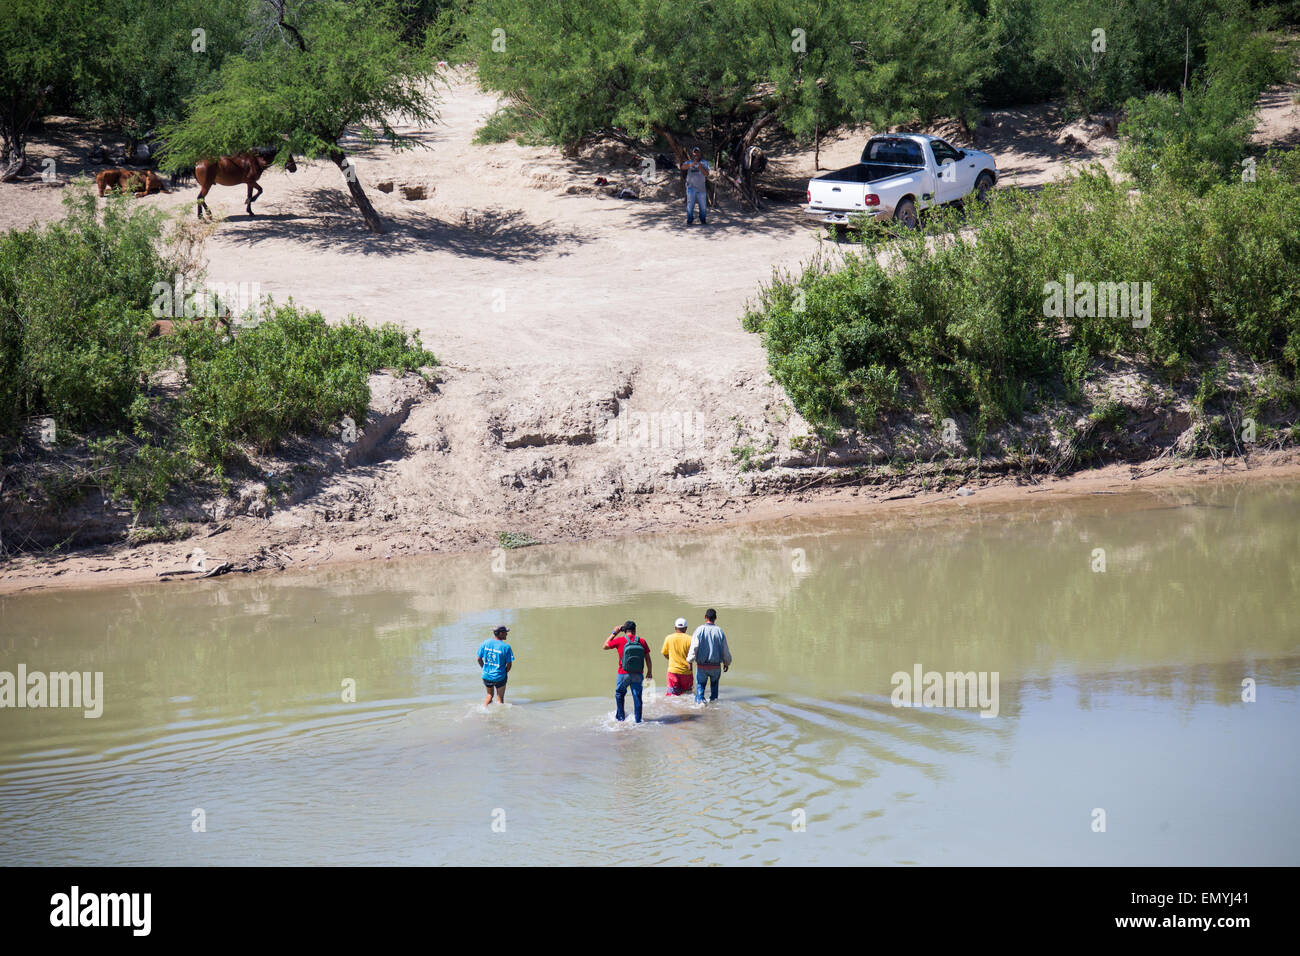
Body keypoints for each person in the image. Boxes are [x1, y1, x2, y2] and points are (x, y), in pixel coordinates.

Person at [603, 620, 652, 723]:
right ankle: (638, 721)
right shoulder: (642, 641)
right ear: (635, 630)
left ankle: (621, 719)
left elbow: (605, 646)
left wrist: (614, 632)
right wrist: (649, 672)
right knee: (637, 697)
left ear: (624, 630)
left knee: (620, 694)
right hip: (638, 674)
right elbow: (647, 658)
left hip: (623, 673)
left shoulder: (620, 640)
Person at [687, 608, 732, 703]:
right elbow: (725, 650)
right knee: (714, 691)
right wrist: (726, 663)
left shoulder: (699, 630)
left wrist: (690, 661)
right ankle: (713, 707)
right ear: (715, 618)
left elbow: (694, 647)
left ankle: (700, 705)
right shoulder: (719, 631)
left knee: (700, 688)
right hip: (715, 667)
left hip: (702, 667)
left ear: (705, 617)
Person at [477, 625, 515, 706]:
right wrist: (504, 672)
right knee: (500, 698)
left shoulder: (485, 643)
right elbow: (509, 664)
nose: (507, 634)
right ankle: (499, 717)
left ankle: (484, 709)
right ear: (500, 633)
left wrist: (484, 668)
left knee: (489, 695)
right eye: (505, 633)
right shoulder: (506, 647)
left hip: (487, 675)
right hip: (500, 676)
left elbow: (478, 659)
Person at [660, 618, 694, 697]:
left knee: (672, 696)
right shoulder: (691, 639)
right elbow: (694, 654)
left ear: (675, 628)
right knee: (688, 695)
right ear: (686, 628)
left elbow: (664, 653)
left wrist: (671, 659)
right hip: (686, 672)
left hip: (673, 672)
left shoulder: (669, 638)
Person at [681, 147, 710, 226]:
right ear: (692, 154)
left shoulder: (704, 163)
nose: (696, 154)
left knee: (703, 206)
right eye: (695, 153)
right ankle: (689, 220)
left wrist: (701, 167)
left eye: (698, 153)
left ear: (700, 154)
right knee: (690, 205)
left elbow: (707, 174)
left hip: (701, 188)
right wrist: (691, 165)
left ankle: (703, 220)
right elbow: (682, 167)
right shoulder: (689, 162)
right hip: (690, 187)